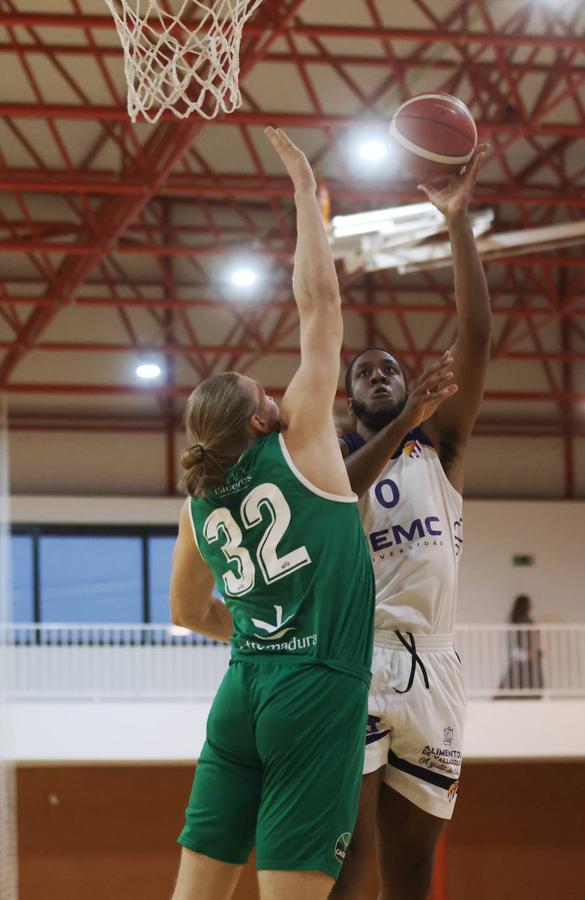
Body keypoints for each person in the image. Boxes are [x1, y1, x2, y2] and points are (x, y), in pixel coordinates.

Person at [168, 128, 375, 900]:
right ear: (260, 418)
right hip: (312, 687)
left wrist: (259, 632)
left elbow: (188, 610)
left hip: (242, 689)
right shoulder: (306, 438)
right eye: (268, 391)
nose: (282, 393)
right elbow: (318, 303)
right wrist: (301, 192)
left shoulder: (196, 496)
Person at [331, 147, 491, 900]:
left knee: (408, 874)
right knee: (345, 863)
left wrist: (456, 221)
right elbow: (346, 488)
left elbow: (478, 338)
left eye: (389, 367)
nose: (379, 374)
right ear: (348, 397)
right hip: (356, 660)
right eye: (364, 370)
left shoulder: (441, 446)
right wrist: (400, 426)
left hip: (434, 663)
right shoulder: (330, 459)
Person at [500, 594, 544, 697]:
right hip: (523, 664)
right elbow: (517, 648)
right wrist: (530, 653)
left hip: (524, 662)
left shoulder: (516, 621)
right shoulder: (524, 622)